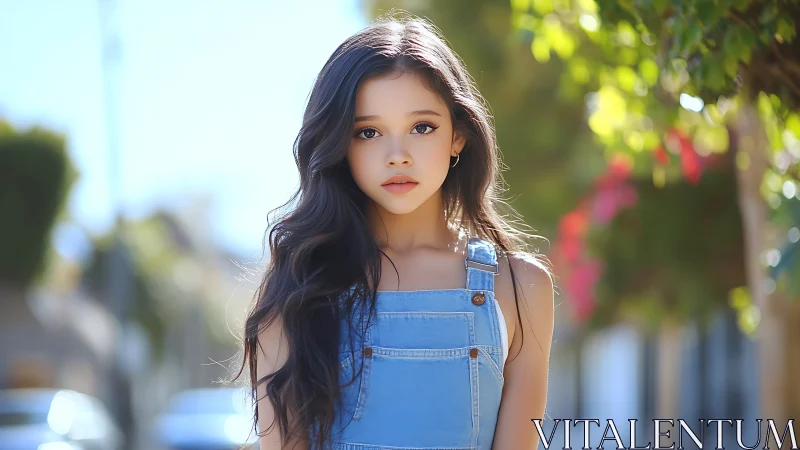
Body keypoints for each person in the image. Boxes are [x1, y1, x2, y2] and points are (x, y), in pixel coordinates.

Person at [235, 12, 555, 450]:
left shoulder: (519, 287)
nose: (397, 155)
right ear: (339, 145)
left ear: (458, 136)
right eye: (368, 132)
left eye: (422, 127)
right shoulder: (299, 287)